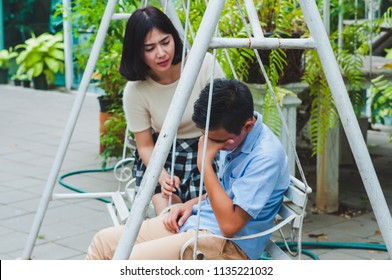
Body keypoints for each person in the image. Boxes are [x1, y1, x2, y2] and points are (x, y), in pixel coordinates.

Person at [86, 78, 290, 260]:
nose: (209, 143)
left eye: (217, 141)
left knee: (134, 260)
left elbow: (230, 226)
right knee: (104, 242)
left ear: (247, 126)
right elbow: (230, 194)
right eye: (205, 135)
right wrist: (189, 205)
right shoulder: (236, 135)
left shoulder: (266, 157)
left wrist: (205, 165)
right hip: (200, 221)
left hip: (230, 246)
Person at [119, 6, 224, 215]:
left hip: (209, 148)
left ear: (174, 38)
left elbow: (226, 119)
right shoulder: (135, 91)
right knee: (167, 211)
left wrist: (206, 157)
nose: (161, 53)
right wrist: (163, 177)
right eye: (149, 48)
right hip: (163, 156)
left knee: (203, 217)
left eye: (165, 42)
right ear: (137, 52)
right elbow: (145, 146)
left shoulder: (203, 65)